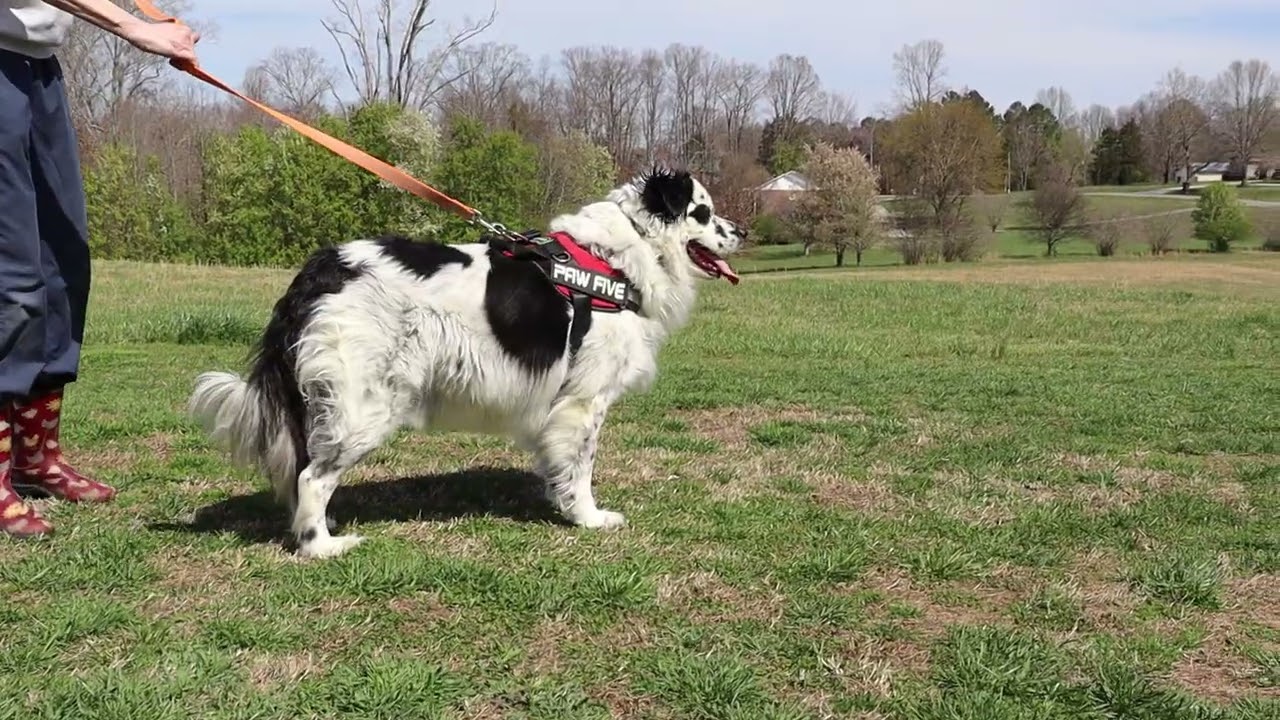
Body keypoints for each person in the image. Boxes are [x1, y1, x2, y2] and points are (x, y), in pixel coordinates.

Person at [0, 1, 198, 536]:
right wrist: (133, 28)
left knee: (63, 266)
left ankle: (35, 458)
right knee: (9, 276)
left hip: (37, 65)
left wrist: (147, 15)